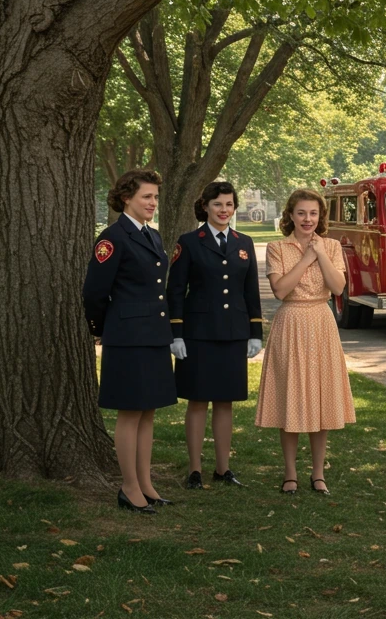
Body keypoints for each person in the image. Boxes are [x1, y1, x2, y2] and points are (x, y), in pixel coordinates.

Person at [83, 169, 176, 514]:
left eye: (155, 197)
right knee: (130, 412)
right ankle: (128, 487)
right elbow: (94, 293)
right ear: (127, 199)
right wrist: (106, 328)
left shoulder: (151, 236)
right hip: (127, 338)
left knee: (148, 410)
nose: (153, 203)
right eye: (146, 197)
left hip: (153, 334)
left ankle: (145, 482)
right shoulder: (112, 237)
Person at [255, 188, 355, 495]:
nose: (307, 219)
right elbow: (280, 290)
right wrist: (306, 257)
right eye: (301, 213)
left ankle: (317, 472)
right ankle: (289, 473)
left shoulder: (333, 246)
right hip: (290, 323)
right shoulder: (276, 247)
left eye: (313, 213)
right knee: (290, 395)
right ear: (291, 215)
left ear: (320, 216)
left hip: (321, 323)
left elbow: (338, 288)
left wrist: (320, 253)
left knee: (321, 397)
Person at [167, 180, 263, 489]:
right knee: (197, 402)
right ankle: (195, 469)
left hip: (233, 332)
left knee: (225, 402)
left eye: (229, 204)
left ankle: (223, 469)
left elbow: (251, 292)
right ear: (206, 206)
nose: (224, 210)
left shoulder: (244, 242)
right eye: (218, 204)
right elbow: (176, 290)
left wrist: (255, 332)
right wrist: (176, 333)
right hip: (198, 334)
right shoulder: (189, 241)